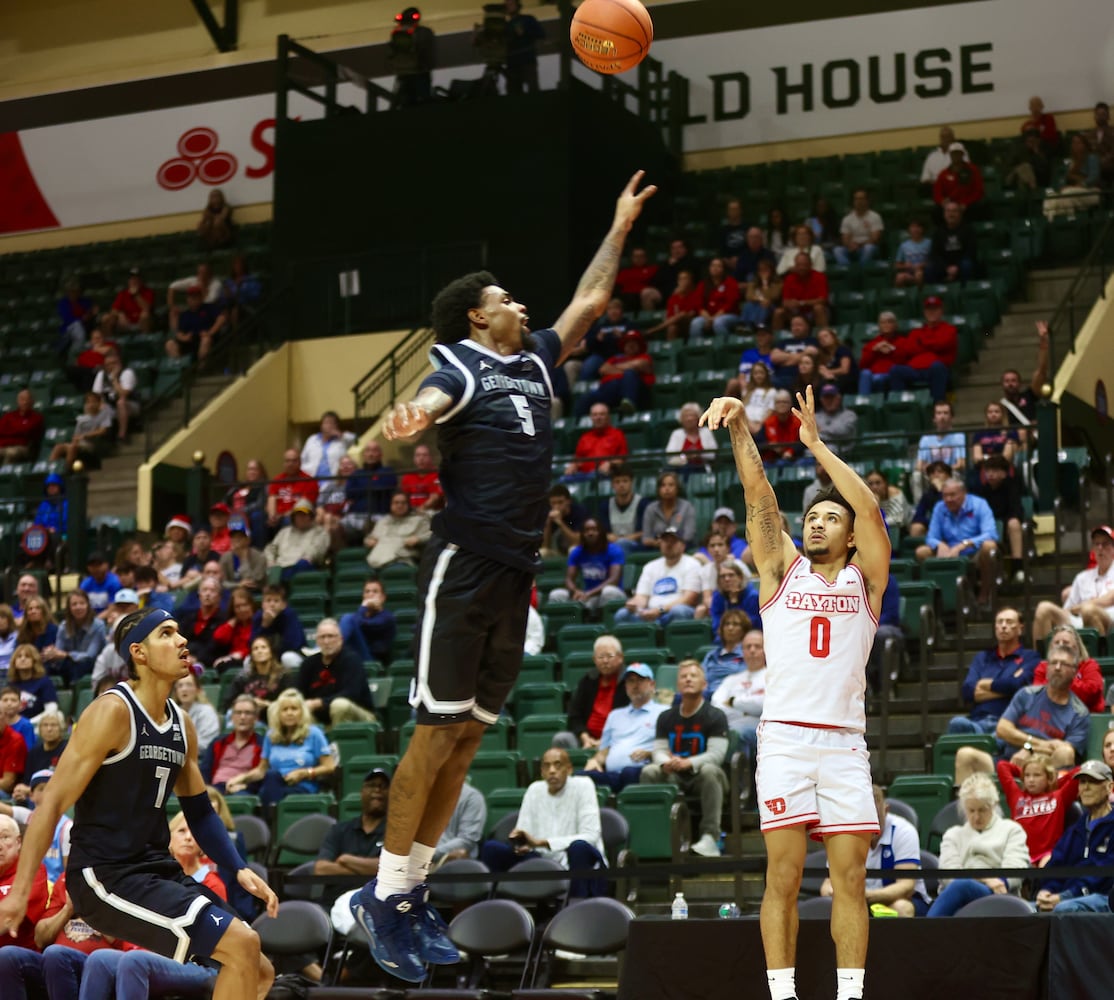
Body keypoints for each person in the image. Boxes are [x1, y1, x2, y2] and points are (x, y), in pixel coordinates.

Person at [345, 173, 654, 983]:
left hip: (517, 571)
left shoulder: (537, 360)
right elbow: (426, 402)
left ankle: (410, 893)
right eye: (505, 298)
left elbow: (590, 302)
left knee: (470, 735)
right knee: (433, 732)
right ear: (479, 317)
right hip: (465, 566)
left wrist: (619, 225)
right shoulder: (459, 366)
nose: (520, 303)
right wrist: (408, 418)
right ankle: (385, 894)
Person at [701, 382, 890, 1000]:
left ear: (850, 537)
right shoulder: (781, 570)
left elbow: (870, 510)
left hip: (844, 743)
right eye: (811, 516)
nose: (816, 522)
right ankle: (782, 995)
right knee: (781, 877)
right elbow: (759, 494)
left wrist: (816, 446)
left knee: (851, 879)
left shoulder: (866, 581)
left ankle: (850, 995)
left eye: (830, 517)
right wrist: (740, 426)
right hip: (784, 739)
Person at [0, 607, 279, 996]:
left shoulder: (182, 723)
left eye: (179, 631)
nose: (182, 640)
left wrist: (238, 867)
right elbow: (51, 805)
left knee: (259, 969)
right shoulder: (111, 711)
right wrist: (18, 893)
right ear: (139, 652)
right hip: (104, 873)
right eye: (166, 633)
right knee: (241, 945)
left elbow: (199, 810)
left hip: (157, 869)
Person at [954, 644, 1090, 785]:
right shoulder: (1027, 694)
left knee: (1065, 752)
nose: (1057, 667)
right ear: (1047, 668)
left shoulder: (1079, 713)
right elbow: (1002, 729)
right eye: (1053, 663)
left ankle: (1048, 799)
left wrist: (1030, 753)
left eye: (1064, 664)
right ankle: (964, 800)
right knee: (965, 755)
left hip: (1044, 770)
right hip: (1007, 761)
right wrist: (1030, 746)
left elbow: (1065, 753)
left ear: (1074, 672)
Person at [480, 748, 607, 897]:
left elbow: (590, 836)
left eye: (558, 765)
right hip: (541, 859)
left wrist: (542, 842)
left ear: (569, 769)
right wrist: (520, 843)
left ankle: (576, 903)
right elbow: (524, 832)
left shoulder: (583, 786)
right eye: (547, 766)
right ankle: (493, 904)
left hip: (577, 860)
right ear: (541, 772)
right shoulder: (534, 789)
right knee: (491, 848)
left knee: (579, 847)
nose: (552, 771)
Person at [639, 661, 730, 858]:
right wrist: (665, 762)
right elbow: (659, 750)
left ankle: (711, 836)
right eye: (683, 676)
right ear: (678, 685)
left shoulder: (716, 716)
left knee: (709, 770)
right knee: (649, 771)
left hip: (703, 778)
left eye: (693, 676)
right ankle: (659, 836)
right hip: (675, 775)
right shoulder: (665, 717)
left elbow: (716, 755)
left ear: (704, 684)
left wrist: (689, 763)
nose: (688, 679)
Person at [925, 773, 1030, 916]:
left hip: (998, 893)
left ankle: (926, 927)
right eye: (971, 810)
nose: (976, 817)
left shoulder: (1011, 830)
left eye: (982, 810)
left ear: (993, 805)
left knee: (962, 886)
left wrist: (996, 882)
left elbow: (1015, 869)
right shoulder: (953, 834)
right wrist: (985, 878)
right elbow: (949, 875)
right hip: (959, 893)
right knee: (960, 886)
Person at [820, 785, 930, 917]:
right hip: (856, 900)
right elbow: (827, 885)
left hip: (903, 900)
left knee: (901, 907)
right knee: (830, 906)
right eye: (864, 819)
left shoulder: (903, 831)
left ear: (886, 810)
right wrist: (833, 892)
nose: (871, 826)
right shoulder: (844, 834)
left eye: (875, 819)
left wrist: (866, 896)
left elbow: (906, 886)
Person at [227, 688, 335, 807]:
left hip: (301, 786)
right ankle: (270, 811)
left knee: (271, 785)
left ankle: (270, 814)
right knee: (247, 790)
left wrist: (305, 773)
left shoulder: (314, 733)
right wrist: (241, 778)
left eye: (294, 709)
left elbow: (329, 766)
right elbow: (261, 770)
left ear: (302, 712)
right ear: (278, 714)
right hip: (274, 784)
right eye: (285, 709)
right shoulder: (271, 735)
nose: (289, 713)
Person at [1035, 759, 1114, 913]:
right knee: (1024, 910)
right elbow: (1055, 867)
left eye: (1093, 782)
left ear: (1109, 787)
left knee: (1064, 910)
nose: (1086, 787)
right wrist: (1047, 891)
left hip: (1105, 898)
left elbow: (1105, 874)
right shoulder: (1075, 829)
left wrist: (1066, 896)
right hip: (1066, 899)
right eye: (1082, 782)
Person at [947, 607, 1040, 735]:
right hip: (978, 721)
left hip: (1009, 724)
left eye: (1009, 622)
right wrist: (1008, 691)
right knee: (956, 723)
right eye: (1000, 622)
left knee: (999, 737)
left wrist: (983, 684)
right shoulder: (982, 657)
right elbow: (967, 690)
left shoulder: (1030, 657)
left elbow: (1017, 685)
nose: (1003, 626)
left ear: (1020, 629)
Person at [915, 477, 999, 607]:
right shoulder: (940, 507)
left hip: (974, 552)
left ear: (964, 493)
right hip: (948, 552)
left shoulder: (979, 504)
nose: (948, 499)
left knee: (989, 546)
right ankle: (938, 598)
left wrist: (964, 544)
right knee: (922, 552)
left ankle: (985, 593)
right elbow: (931, 537)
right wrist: (939, 544)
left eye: (953, 495)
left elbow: (991, 534)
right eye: (945, 495)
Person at [582, 663, 665, 793]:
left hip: (641, 771)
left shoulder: (663, 713)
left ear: (652, 684)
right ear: (626, 686)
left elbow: (669, 749)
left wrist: (649, 754)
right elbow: (604, 752)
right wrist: (595, 761)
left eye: (640, 680)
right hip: (613, 775)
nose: (635, 685)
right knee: (580, 777)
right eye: (630, 681)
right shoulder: (614, 715)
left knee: (629, 772)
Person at [315, 768, 390, 904]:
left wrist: (346, 860)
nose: (377, 790)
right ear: (361, 792)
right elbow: (321, 869)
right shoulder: (339, 830)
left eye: (383, 786)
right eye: (372, 785)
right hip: (334, 902)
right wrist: (369, 870)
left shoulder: (395, 832)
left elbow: (390, 869)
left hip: (378, 904)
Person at [995, 755, 1079, 865]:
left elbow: (1079, 771)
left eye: (1037, 775)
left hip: (1048, 854)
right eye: (1027, 775)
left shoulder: (1059, 797)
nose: (1031, 780)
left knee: (1047, 865)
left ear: (1048, 778)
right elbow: (1002, 765)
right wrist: (1027, 770)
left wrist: (1054, 782)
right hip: (1020, 854)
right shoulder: (1016, 796)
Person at [1032, 524, 1114, 637]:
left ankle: (1102, 649)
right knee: (1043, 608)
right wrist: (1068, 612)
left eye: (1105, 544)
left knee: (1088, 610)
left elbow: (1110, 599)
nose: (1100, 548)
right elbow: (1069, 609)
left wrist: (1082, 606)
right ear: (1093, 549)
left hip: (1110, 620)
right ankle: (1044, 649)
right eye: (1097, 544)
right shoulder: (1082, 577)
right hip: (1080, 619)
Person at [552, 634, 631, 751]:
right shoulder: (588, 680)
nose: (605, 661)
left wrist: (605, 741)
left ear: (620, 657)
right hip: (587, 738)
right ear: (594, 659)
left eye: (610, 656)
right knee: (561, 739)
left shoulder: (628, 681)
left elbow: (630, 720)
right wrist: (585, 738)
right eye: (600, 657)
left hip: (616, 738)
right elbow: (574, 716)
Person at [296, 619, 376, 726]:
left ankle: (340, 737)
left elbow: (351, 694)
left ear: (340, 639)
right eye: (322, 637)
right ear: (317, 641)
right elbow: (298, 692)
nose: (326, 641)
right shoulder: (309, 663)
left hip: (360, 716)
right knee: (293, 709)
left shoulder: (351, 660)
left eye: (331, 636)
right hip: (322, 719)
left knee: (339, 705)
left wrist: (319, 703)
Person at [615, 527, 700, 626]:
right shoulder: (650, 566)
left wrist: (660, 610)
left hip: (673, 613)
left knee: (679, 611)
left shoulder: (692, 564)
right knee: (622, 614)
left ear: (683, 546)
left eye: (673, 541)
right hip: (650, 614)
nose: (668, 544)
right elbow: (642, 597)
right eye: (665, 541)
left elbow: (688, 599)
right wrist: (635, 604)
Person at [710, 624, 766, 764]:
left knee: (738, 732)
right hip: (731, 724)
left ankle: (739, 778)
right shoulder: (731, 680)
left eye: (757, 646)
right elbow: (717, 705)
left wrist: (732, 702)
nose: (752, 650)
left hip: (761, 727)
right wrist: (746, 711)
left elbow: (764, 704)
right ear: (742, 651)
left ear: (766, 650)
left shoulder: (773, 677)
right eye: (748, 647)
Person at [887, 295, 957, 402]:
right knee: (895, 370)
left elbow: (942, 344)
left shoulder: (949, 329)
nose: (931, 312)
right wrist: (931, 344)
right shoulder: (916, 332)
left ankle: (938, 404)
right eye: (929, 309)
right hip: (915, 369)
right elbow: (909, 349)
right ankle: (901, 403)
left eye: (935, 309)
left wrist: (921, 343)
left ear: (941, 311)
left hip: (937, 369)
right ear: (924, 312)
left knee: (937, 367)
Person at [548, 517, 625, 612]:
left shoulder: (614, 550)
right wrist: (575, 591)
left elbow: (614, 580)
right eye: (586, 530)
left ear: (602, 532)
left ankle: (605, 620)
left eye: (594, 530)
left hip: (607, 595)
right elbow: (569, 579)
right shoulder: (577, 552)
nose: (590, 533)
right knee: (556, 594)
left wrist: (589, 594)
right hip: (586, 595)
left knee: (609, 591)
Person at [1032, 624, 1106, 713]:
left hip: (1087, 716)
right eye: (1057, 642)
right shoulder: (1043, 667)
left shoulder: (1089, 665)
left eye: (1065, 642)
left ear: (1076, 647)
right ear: (1051, 647)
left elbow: (1091, 694)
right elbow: (1038, 696)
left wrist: (1064, 678)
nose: (1060, 645)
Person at [42, 589, 107, 684]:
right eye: (74, 604)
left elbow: (90, 655)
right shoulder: (63, 626)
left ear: (88, 605)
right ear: (69, 608)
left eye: (82, 603)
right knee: (45, 667)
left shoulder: (98, 626)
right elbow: (58, 651)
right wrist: (51, 653)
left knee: (79, 665)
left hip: (92, 664)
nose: (78, 607)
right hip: (69, 664)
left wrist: (67, 655)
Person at [202, 695, 264, 794]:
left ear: (256, 718)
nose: (242, 717)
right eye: (238, 713)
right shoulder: (218, 742)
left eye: (248, 713)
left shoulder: (262, 744)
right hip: (215, 789)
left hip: (243, 789)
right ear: (232, 717)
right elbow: (204, 771)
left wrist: (246, 786)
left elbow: (262, 774)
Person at [220, 635, 292, 717]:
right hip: (248, 717)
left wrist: (267, 704)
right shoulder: (243, 677)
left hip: (275, 717)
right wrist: (249, 703)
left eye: (263, 647)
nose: (259, 651)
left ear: (271, 652)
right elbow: (227, 703)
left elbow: (290, 702)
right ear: (251, 655)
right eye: (255, 649)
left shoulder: (282, 675)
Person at [264, 498, 330, 581]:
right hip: (281, 566)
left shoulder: (319, 532)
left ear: (310, 516)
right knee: (270, 570)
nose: (301, 518)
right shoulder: (284, 532)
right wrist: (271, 561)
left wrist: (309, 557)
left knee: (303, 564)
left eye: (304, 515)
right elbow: (270, 548)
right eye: (298, 515)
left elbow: (317, 549)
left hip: (304, 567)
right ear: (293, 517)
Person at [364, 490, 432, 569]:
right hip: (378, 557)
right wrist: (369, 541)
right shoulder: (383, 521)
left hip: (402, 558)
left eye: (403, 503)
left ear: (408, 505)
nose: (400, 506)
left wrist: (419, 539)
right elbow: (370, 537)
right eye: (396, 503)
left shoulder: (419, 520)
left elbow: (430, 535)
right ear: (391, 505)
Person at [340, 579, 398, 665]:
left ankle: (332, 646)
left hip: (373, 660)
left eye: (375, 591)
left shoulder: (387, 617)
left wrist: (363, 607)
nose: (370, 595)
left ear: (383, 597)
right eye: (367, 592)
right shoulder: (359, 616)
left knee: (348, 618)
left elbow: (367, 625)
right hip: (354, 656)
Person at [250, 584, 307, 670]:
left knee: (288, 658)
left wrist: (272, 654)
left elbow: (294, 644)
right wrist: (264, 625)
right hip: (267, 655)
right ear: (263, 604)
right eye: (268, 600)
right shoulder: (258, 617)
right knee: (248, 661)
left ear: (283, 604)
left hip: (289, 654)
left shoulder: (289, 615)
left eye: (276, 601)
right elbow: (252, 644)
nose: (272, 604)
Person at [564, 403, 628, 479]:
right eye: (595, 415)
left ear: (608, 417)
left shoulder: (617, 435)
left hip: (606, 474)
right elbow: (578, 459)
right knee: (563, 480)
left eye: (602, 414)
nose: (598, 418)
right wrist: (573, 465)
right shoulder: (585, 437)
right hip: (583, 474)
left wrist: (610, 463)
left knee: (594, 476)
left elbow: (622, 459)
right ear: (591, 417)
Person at [598, 462, 651, 552]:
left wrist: (625, 539)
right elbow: (603, 532)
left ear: (631, 482)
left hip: (636, 547)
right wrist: (609, 536)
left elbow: (645, 532)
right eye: (617, 482)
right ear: (612, 484)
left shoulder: (643, 503)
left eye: (625, 481)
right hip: (612, 546)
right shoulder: (605, 505)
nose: (621, 485)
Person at [91, 347, 141, 441]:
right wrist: (101, 403)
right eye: (108, 364)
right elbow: (96, 394)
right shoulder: (102, 374)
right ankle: (97, 437)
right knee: (94, 405)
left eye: (114, 363)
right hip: (111, 406)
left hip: (130, 405)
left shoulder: (127, 373)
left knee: (121, 402)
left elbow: (123, 395)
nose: (111, 366)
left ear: (119, 363)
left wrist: (114, 379)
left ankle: (122, 435)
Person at [773, 251, 830, 331]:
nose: (801, 268)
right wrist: (790, 304)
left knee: (818, 308)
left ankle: (824, 334)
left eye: (804, 265)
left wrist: (802, 303)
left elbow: (823, 300)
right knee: (778, 312)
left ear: (810, 265)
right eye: (799, 265)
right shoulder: (789, 278)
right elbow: (784, 301)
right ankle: (777, 337)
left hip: (812, 312)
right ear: (795, 266)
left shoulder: (820, 277)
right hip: (796, 312)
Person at [266, 449, 319, 532]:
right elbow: (272, 498)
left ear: (300, 463)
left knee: (288, 520)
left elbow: (305, 505)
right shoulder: (277, 479)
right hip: (278, 516)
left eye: (294, 461)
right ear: (284, 463)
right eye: (288, 461)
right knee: (259, 517)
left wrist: (282, 515)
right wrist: (272, 516)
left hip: (298, 515)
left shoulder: (309, 481)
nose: (290, 464)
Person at [640, 471, 696, 548]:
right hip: (656, 548)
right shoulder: (651, 509)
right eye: (663, 485)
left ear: (677, 488)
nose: (667, 489)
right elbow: (645, 538)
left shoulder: (687, 507)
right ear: (658, 489)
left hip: (682, 548)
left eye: (671, 485)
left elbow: (689, 535)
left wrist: (671, 542)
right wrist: (657, 543)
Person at [689, 257, 742, 338]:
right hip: (708, 316)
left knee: (718, 322)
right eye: (713, 266)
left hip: (729, 315)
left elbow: (730, 304)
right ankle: (698, 345)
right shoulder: (703, 284)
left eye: (718, 266)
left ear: (723, 269)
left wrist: (713, 319)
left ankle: (725, 344)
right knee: (695, 323)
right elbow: (699, 305)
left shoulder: (730, 282)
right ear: (709, 268)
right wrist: (708, 318)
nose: (715, 268)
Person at [6, 645, 59, 726]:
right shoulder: (11, 684)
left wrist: (29, 723)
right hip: (14, 725)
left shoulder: (44, 682)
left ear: (34, 661)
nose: (23, 659)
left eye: (27, 656)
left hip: (37, 724)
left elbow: (52, 709)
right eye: (19, 656)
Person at [928, 200, 977, 284]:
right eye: (948, 211)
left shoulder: (968, 230)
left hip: (962, 264)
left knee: (967, 264)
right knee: (929, 268)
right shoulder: (938, 232)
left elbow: (971, 252)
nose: (951, 214)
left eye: (954, 211)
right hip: (944, 266)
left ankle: (966, 290)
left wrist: (956, 267)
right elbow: (935, 254)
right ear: (944, 214)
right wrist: (947, 267)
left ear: (960, 214)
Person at [172, 673, 221, 755]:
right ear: (176, 691)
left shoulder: (206, 711)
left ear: (198, 690)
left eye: (189, 685)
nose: (184, 689)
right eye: (180, 686)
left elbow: (206, 743)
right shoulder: (172, 712)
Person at [709, 558, 761, 633]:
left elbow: (754, 622)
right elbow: (716, 621)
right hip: (725, 635)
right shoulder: (717, 597)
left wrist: (734, 602)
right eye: (722, 576)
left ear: (740, 578)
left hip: (749, 633)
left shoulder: (752, 596)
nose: (727, 579)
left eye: (731, 575)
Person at [833, 189, 883, 266]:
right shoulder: (847, 219)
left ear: (867, 201)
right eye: (856, 199)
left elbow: (875, 238)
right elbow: (845, 239)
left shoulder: (875, 217)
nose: (859, 201)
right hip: (852, 248)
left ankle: (862, 270)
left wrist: (859, 245)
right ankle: (848, 270)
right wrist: (850, 245)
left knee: (869, 248)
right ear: (853, 201)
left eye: (861, 199)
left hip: (868, 248)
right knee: (837, 250)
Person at [664, 402, 718, 472]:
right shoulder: (676, 434)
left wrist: (698, 455)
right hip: (680, 469)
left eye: (692, 415)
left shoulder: (706, 432)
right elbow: (670, 456)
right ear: (681, 419)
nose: (689, 419)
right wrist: (686, 457)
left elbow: (713, 454)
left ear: (698, 417)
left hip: (703, 468)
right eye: (686, 416)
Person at [218, 516, 267, 592]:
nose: (236, 540)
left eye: (240, 537)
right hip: (232, 593)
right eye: (233, 537)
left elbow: (252, 582)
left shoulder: (259, 557)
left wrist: (244, 559)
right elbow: (222, 582)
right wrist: (238, 585)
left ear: (248, 540)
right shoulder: (225, 557)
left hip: (254, 593)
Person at [933, 144, 985, 211]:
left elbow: (978, 191)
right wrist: (942, 201)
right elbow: (937, 192)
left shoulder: (973, 170)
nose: (956, 156)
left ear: (962, 154)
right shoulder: (943, 173)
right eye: (953, 153)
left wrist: (966, 203)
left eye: (958, 153)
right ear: (950, 155)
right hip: (949, 205)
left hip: (969, 204)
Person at [540, 483, 587, 557]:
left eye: (560, 502)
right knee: (542, 552)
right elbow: (545, 545)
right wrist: (548, 523)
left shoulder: (579, 512)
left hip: (580, 550)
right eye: (553, 503)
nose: (557, 506)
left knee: (573, 550)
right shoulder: (548, 514)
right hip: (558, 552)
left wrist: (560, 523)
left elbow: (578, 542)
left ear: (568, 501)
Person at [0, 390, 45, 465]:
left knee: (11, 453)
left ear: (32, 401)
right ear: (18, 401)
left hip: (23, 447)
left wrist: (10, 431)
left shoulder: (37, 417)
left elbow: (26, 431)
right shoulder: (9, 416)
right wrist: (17, 431)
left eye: (27, 399)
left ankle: (4, 472)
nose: (25, 402)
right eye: (22, 399)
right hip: (4, 445)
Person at [814, 384, 857, 458]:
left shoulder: (849, 415)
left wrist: (820, 430)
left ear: (839, 398)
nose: (829, 401)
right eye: (826, 398)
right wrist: (833, 435)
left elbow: (844, 433)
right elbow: (813, 436)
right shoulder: (816, 417)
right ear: (821, 400)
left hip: (843, 454)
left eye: (832, 398)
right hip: (817, 455)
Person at [400, 444, 444, 513]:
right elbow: (403, 497)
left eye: (425, 455)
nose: (421, 458)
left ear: (431, 458)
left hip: (431, 512)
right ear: (414, 459)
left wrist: (420, 510)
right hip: (410, 511)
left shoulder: (437, 475)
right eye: (418, 455)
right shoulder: (408, 476)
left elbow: (435, 497)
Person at [111, 266, 155, 333]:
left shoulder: (148, 292)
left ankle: (146, 337)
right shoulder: (123, 294)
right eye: (132, 279)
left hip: (143, 322)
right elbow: (113, 310)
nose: (134, 281)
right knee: (108, 318)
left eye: (136, 279)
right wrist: (120, 314)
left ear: (141, 280)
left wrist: (136, 295)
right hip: (126, 323)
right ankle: (108, 339)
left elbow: (147, 308)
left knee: (145, 314)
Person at [892, 219, 932, 288]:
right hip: (909, 273)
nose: (915, 229)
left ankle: (920, 293)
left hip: (925, 272)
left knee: (919, 274)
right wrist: (906, 266)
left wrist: (922, 265)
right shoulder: (904, 245)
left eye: (918, 227)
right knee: (899, 277)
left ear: (922, 229)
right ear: (909, 229)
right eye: (913, 227)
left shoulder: (929, 243)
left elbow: (934, 260)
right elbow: (897, 265)